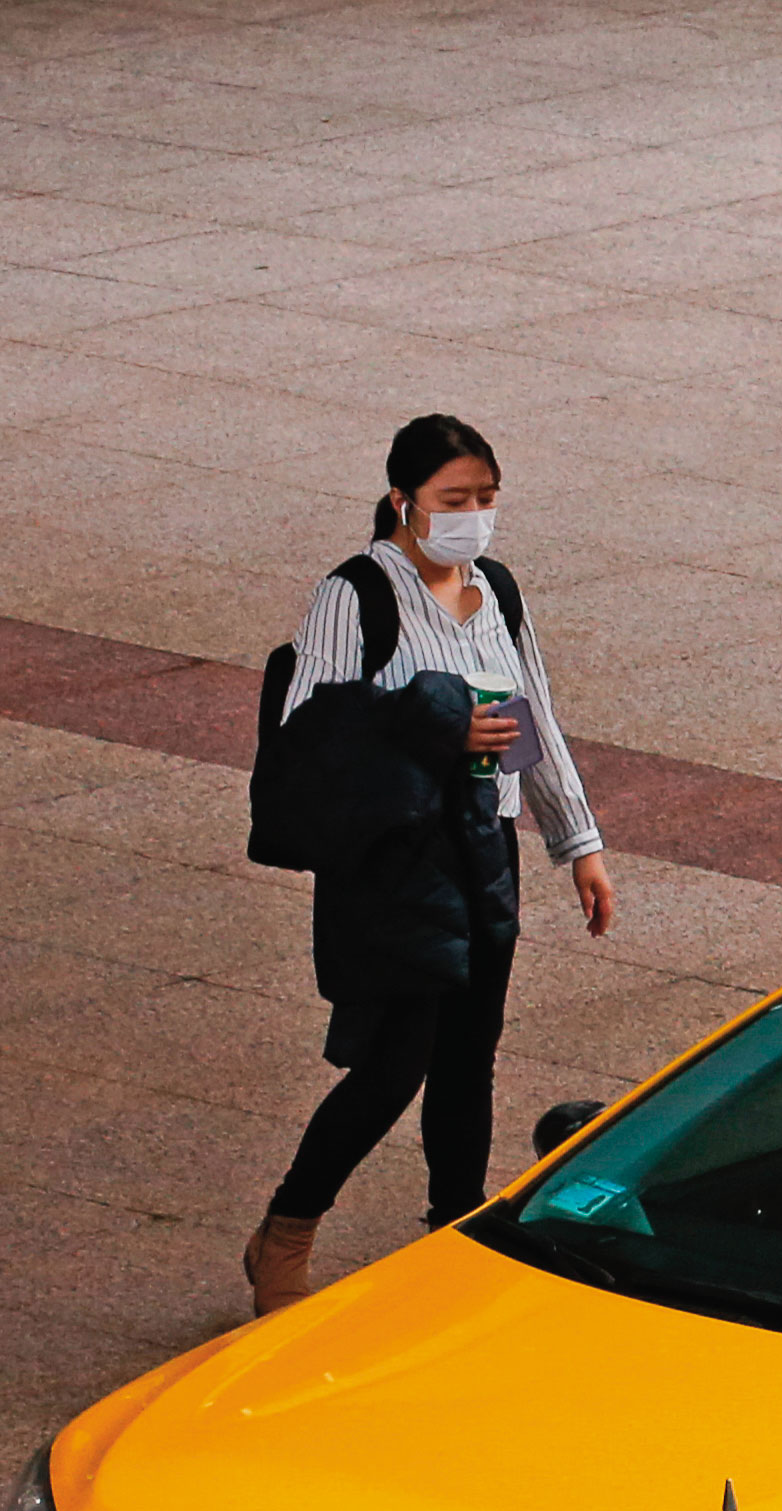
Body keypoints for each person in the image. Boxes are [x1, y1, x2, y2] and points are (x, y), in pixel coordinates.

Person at [241, 418, 618, 1314]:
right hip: (397, 859)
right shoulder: (358, 593)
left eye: (486, 500)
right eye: (455, 502)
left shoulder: (498, 592)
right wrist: (440, 727)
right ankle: (287, 1230)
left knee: (469, 1056)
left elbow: (534, 722)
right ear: (406, 502)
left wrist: (580, 846)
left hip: (484, 848)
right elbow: (315, 726)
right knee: (395, 1061)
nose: (474, 519)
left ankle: (454, 1230)